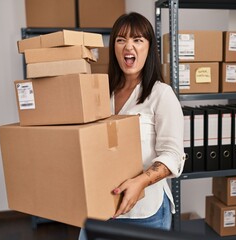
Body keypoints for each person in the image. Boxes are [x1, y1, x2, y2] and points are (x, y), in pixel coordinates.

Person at [78, 12, 185, 240]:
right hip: (100, 206)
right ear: (114, 47)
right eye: (121, 39)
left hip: (145, 212)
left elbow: (173, 156)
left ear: (149, 48)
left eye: (138, 40)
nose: (129, 46)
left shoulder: (161, 95)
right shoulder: (101, 93)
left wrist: (141, 182)